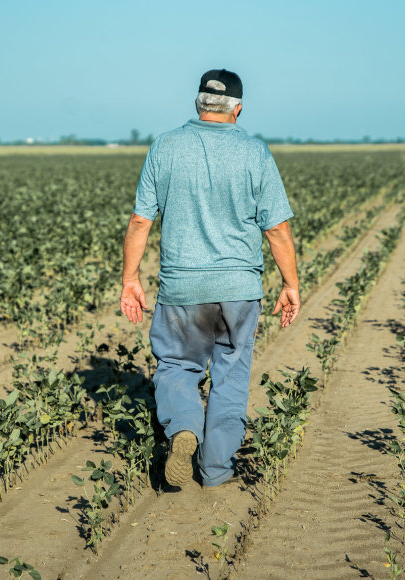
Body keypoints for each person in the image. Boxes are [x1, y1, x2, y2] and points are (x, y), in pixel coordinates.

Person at [120, 68, 300, 489]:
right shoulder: (255, 153)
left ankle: (184, 426)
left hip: (182, 288)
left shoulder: (164, 147)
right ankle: (216, 471)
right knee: (230, 377)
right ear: (237, 109)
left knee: (177, 366)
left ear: (198, 105)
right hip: (239, 290)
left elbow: (139, 221)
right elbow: (277, 230)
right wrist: (290, 284)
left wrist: (131, 278)